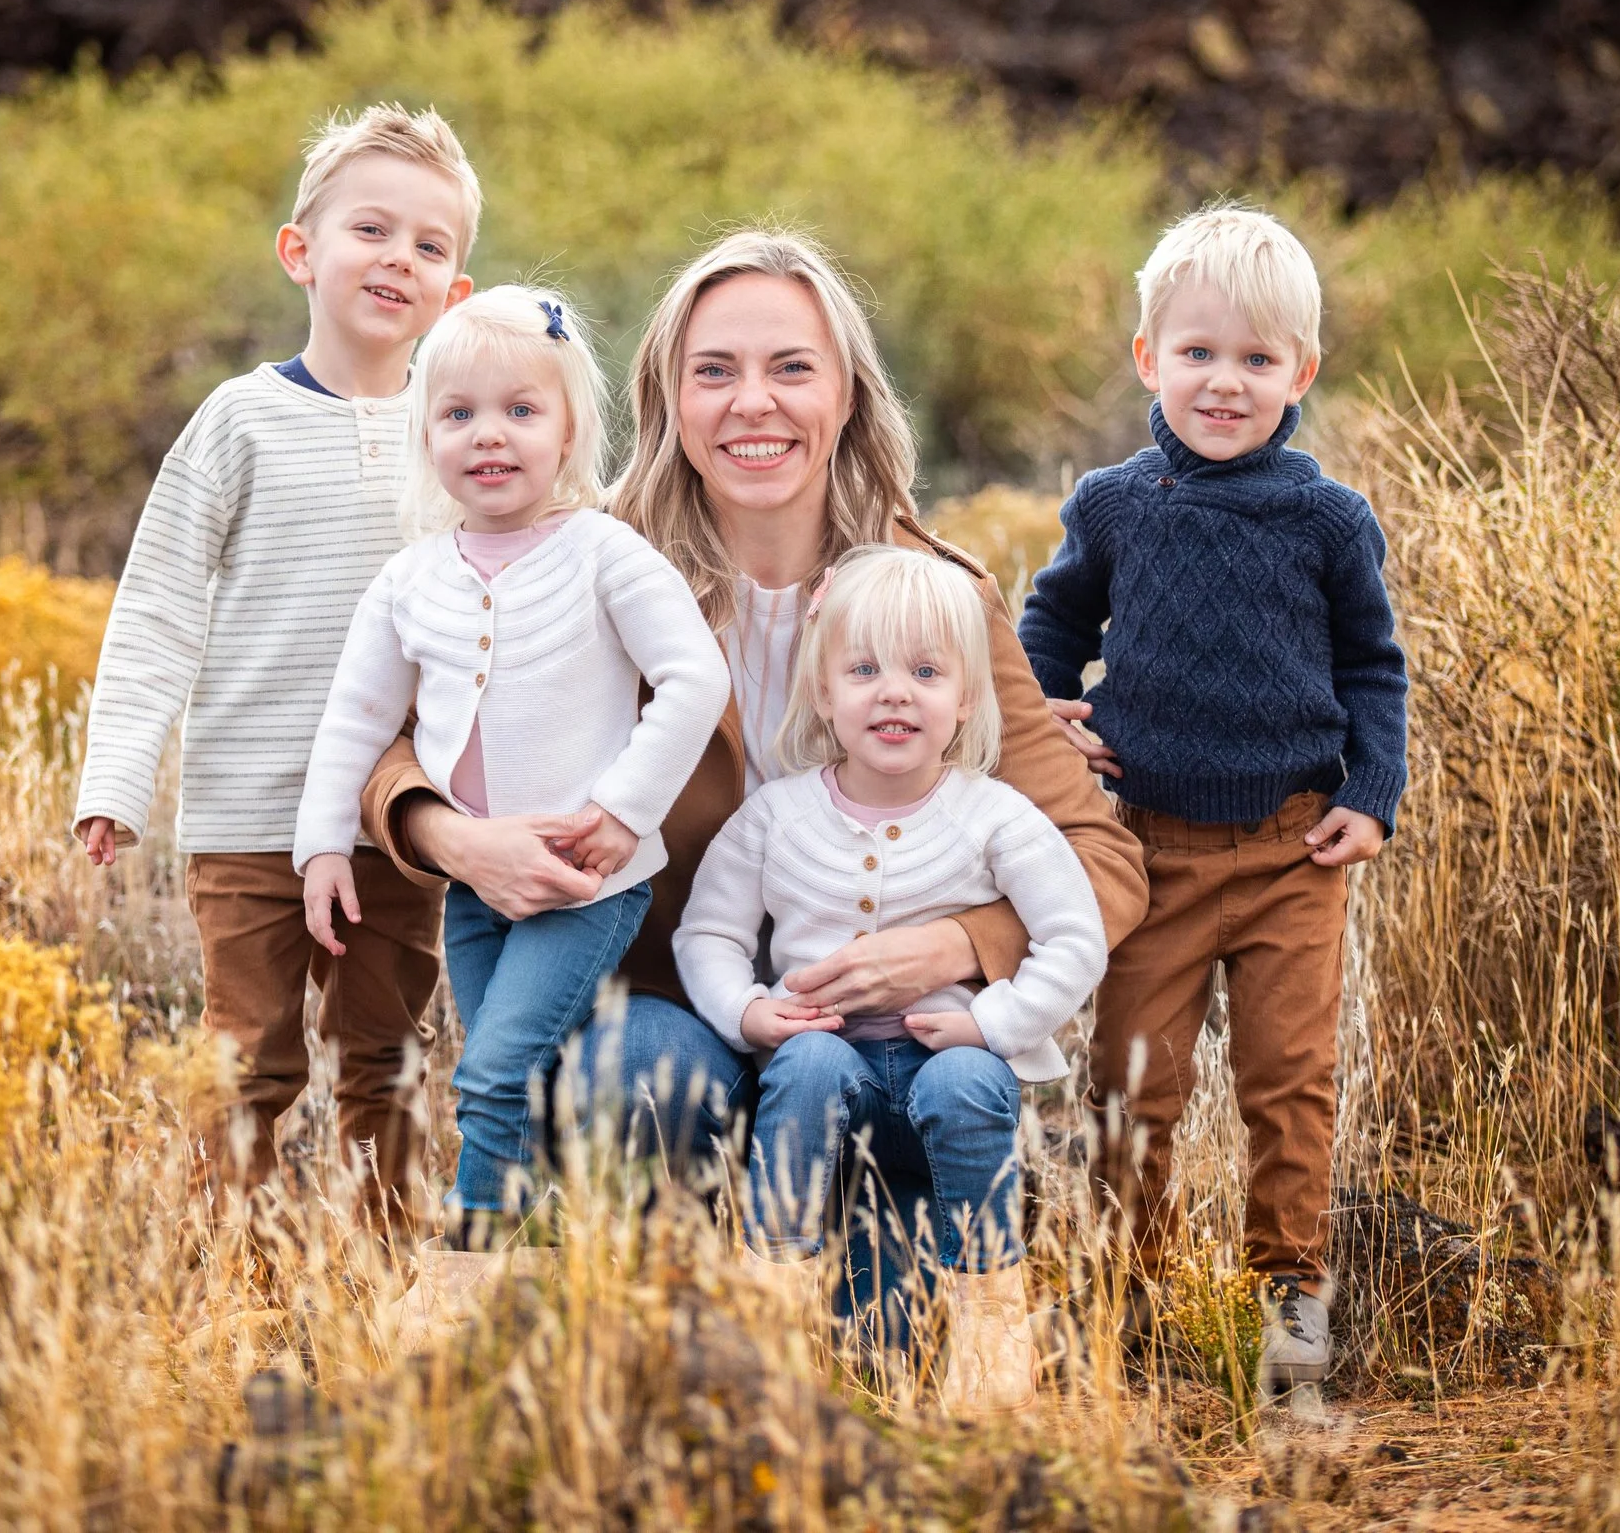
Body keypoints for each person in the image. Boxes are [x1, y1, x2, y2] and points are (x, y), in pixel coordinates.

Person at [352, 228, 1150, 1324]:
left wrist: (963, 945)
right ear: (666, 399)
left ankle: (875, 1264)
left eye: (791, 368)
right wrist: (451, 836)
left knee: (879, 1360)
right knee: (629, 1072)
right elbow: (393, 744)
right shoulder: (581, 557)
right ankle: (666, 1281)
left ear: (849, 396)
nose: (752, 404)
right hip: (676, 1025)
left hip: (879, 1056)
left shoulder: (933, 600)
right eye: (713, 371)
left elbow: (1098, 854)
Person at [1017, 203, 1409, 1395]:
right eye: (1197, 353)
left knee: (1288, 1082)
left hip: (1296, 848)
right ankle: (1124, 1303)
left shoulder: (1329, 519)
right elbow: (1051, 620)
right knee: (1136, 1078)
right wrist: (1047, 720)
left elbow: (1370, 665)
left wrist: (1373, 787)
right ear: (1148, 359)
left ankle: (1290, 1304)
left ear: (1301, 372)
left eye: (1255, 359)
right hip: (1149, 851)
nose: (1224, 383)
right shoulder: (1117, 503)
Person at [294, 286, 727, 1349]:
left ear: (569, 429)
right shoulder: (411, 578)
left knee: (489, 1070)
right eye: (457, 414)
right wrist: (319, 844)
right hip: (476, 889)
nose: (488, 434)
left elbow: (692, 678)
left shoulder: (603, 552)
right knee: (506, 1071)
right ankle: (541, 1292)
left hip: (585, 881)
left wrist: (621, 809)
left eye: (520, 411)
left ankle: (461, 1289)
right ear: (425, 432)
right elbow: (356, 713)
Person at [71, 105, 479, 1230]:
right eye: (372, 229)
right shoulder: (237, 421)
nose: (399, 257)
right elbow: (156, 607)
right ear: (301, 251)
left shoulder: (459, 435)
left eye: (430, 246)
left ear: (455, 291)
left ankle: (380, 1276)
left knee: (386, 1061)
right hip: (247, 810)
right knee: (247, 1062)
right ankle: (225, 1284)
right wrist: (115, 775)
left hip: (395, 815)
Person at [675, 543, 1107, 1414]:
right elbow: (709, 932)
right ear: (823, 693)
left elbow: (1075, 935)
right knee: (807, 1064)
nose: (894, 691)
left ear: (966, 700)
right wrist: (752, 1012)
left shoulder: (993, 815)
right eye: (864, 669)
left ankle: (990, 1326)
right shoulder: (777, 816)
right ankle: (772, 1305)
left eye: (924, 670)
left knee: (966, 1079)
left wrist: (996, 1022)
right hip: (826, 1089)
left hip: (943, 1091)